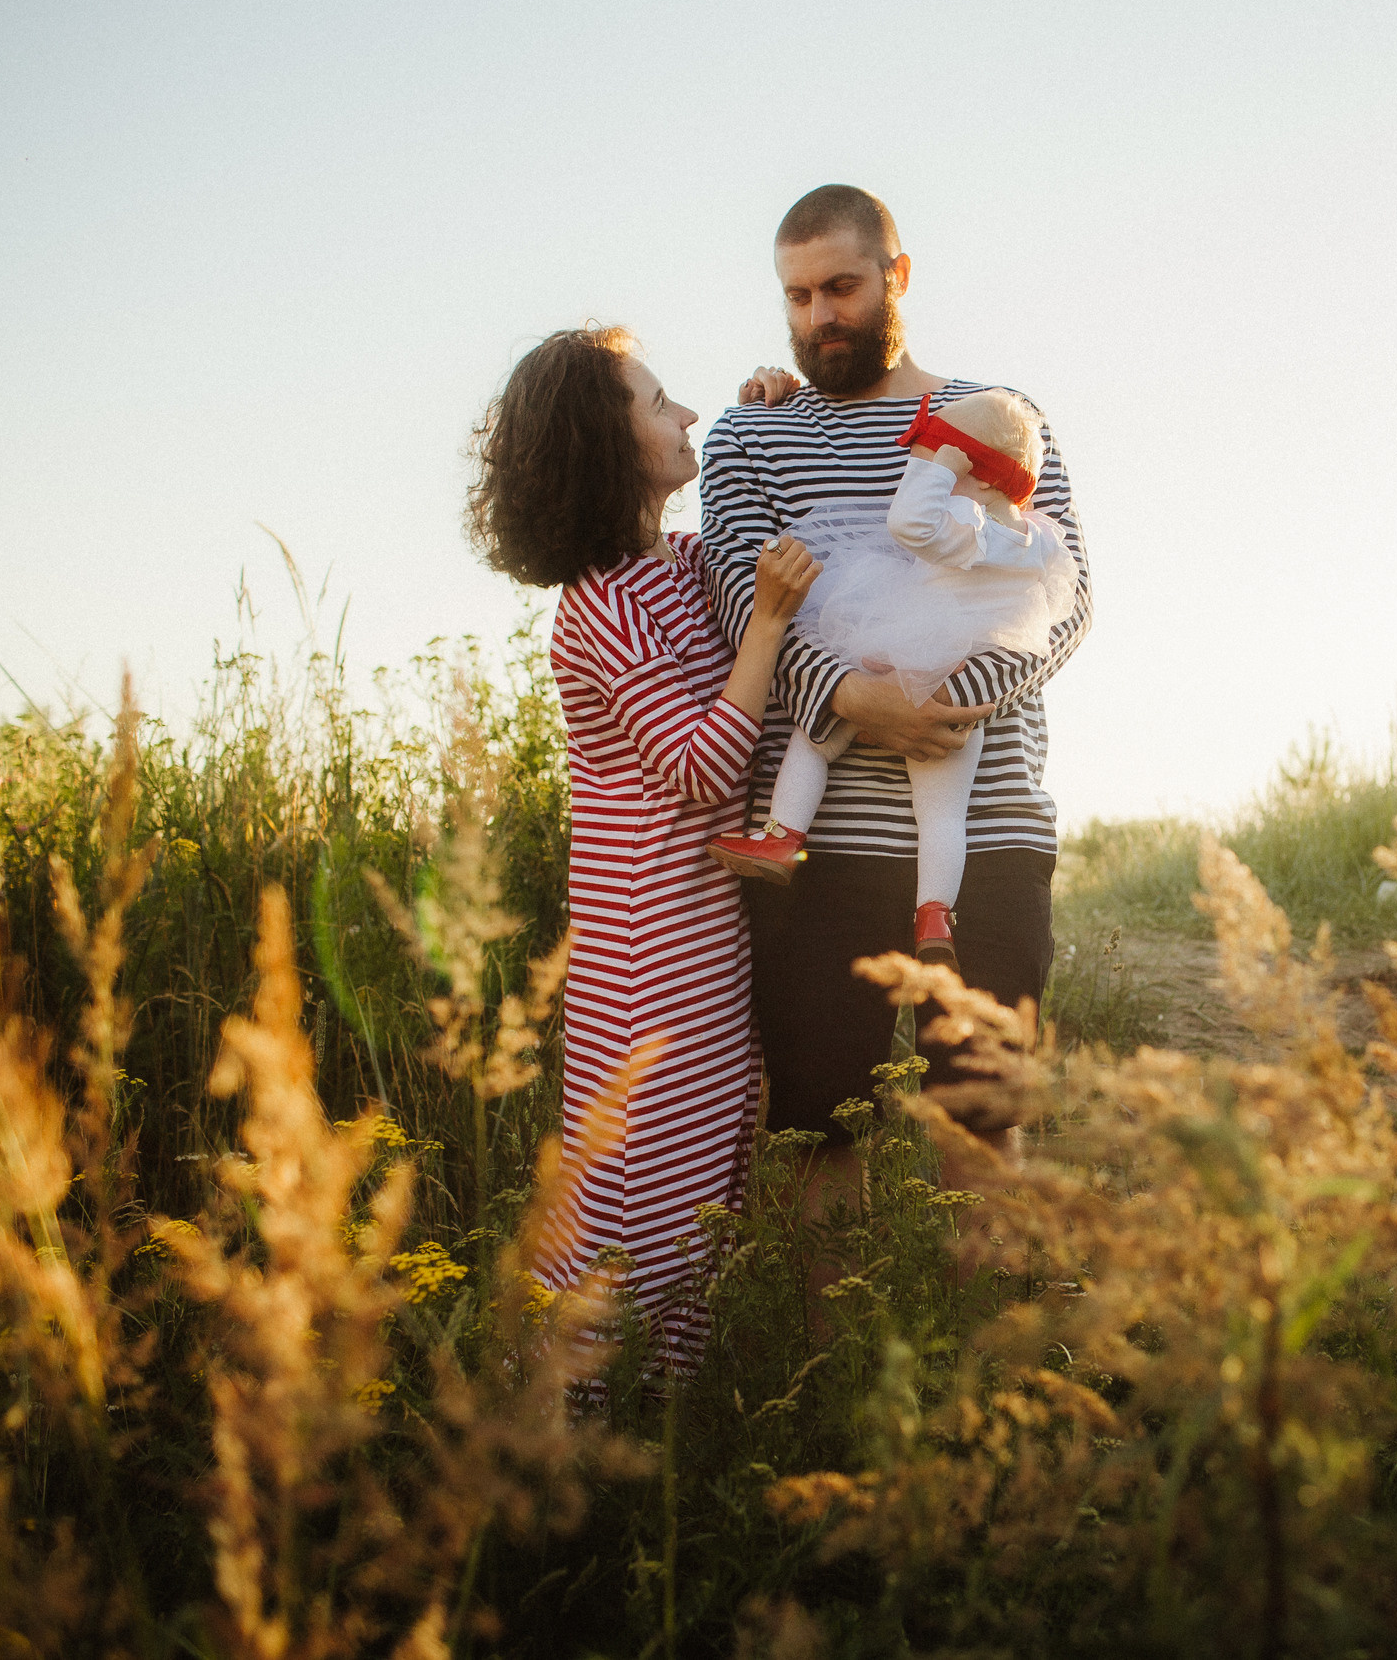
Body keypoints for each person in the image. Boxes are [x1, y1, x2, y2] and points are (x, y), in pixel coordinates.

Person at [692, 184, 1092, 1159]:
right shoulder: (748, 437)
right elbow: (741, 600)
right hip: (820, 857)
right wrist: (853, 698)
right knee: (819, 1146)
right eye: (797, 297)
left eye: (840, 287)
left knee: (986, 1142)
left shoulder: (1000, 417)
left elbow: (1065, 595)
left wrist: (946, 701)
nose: (818, 317)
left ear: (896, 274)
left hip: (990, 838)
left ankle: (993, 1316)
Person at [464, 324, 819, 1370]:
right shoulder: (599, 608)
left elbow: (783, 542)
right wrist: (763, 627)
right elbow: (706, 767)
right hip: (645, 960)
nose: (686, 416)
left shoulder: (683, 566)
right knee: (633, 1213)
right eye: (660, 404)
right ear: (604, 443)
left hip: (709, 941)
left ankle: (655, 1451)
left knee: (702, 1202)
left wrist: (774, 415)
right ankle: (553, 1451)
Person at [700, 387, 1078, 976]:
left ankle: (781, 834)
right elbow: (1061, 597)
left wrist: (940, 465)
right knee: (944, 813)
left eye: (940, 453)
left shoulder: (966, 521)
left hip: (903, 645)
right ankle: (934, 914)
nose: (923, 461)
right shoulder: (1036, 538)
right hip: (961, 686)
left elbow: (909, 523)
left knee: (815, 735)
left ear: (978, 477)